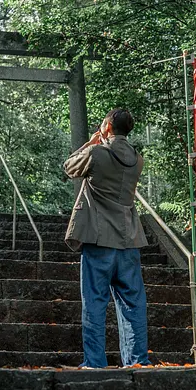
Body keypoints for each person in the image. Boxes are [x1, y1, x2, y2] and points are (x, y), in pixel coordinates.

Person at [63, 108, 150, 368]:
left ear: (108, 126)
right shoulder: (137, 159)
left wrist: (90, 143)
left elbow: (69, 167)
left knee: (95, 302)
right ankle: (137, 362)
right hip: (129, 239)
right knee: (133, 304)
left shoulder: (96, 153)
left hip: (99, 239)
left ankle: (94, 362)